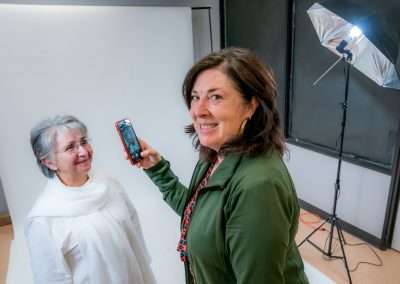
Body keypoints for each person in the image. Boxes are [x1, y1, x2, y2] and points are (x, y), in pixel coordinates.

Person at [127, 47, 309, 283]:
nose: (198, 111)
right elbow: (198, 216)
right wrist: (157, 169)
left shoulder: (258, 187)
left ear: (250, 106)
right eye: (195, 97)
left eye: (216, 97)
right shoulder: (216, 157)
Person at [26, 115, 156, 284]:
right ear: (49, 162)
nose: (84, 152)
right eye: (71, 147)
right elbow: (51, 278)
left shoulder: (110, 185)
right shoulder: (43, 220)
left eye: (84, 141)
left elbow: (136, 237)